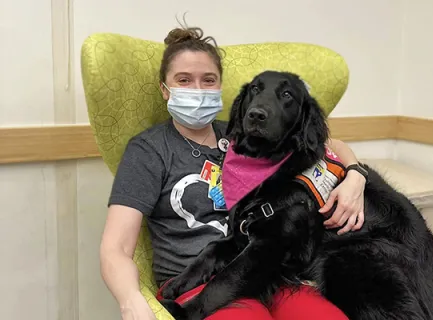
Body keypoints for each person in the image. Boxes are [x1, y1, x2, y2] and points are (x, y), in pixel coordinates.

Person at [100, 24, 367, 320]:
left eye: (208, 80)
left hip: (271, 273)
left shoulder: (244, 132)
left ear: (220, 88)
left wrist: (356, 176)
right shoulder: (148, 150)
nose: (197, 90)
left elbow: (331, 144)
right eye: (184, 80)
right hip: (196, 284)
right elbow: (116, 247)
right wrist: (130, 300)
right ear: (165, 90)